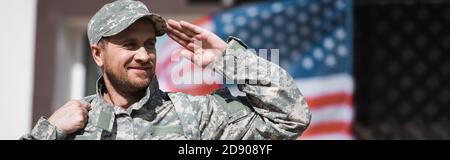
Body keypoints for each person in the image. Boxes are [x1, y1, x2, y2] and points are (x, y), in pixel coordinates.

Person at [21, 0, 311, 140]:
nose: (143, 55)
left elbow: (290, 118)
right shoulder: (73, 126)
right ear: (97, 54)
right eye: (129, 44)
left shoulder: (198, 116)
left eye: (149, 43)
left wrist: (230, 58)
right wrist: (47, 133)